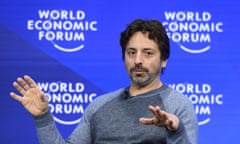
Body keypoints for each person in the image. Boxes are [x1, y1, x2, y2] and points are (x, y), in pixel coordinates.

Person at [10, 18, 198, 144]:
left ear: (164, 59)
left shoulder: (177, 105)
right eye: (131, 53)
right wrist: (43, 117)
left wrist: (176, 131)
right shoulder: (100, 105)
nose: (138, 60)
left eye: (147, 53)